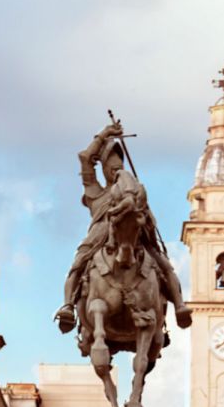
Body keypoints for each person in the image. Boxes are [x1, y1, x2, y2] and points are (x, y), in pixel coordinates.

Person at [53, 120, 189, 333]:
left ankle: (179, 305)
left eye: (119, 167)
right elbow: (85, 158)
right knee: (78, 263)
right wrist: (105, 134)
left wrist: (144, 217)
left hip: (135, 233)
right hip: (99, 236)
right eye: (112, 167)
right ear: (105, 169)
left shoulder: (132, 189)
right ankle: (68, 306)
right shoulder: (95, 191)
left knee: (165, 265)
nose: (116, 170)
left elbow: (148, 215)